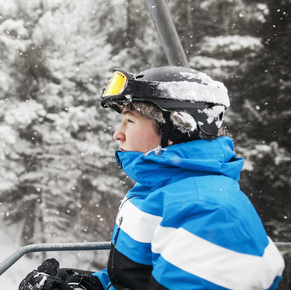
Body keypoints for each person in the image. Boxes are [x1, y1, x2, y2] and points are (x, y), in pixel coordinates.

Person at [19, 66, 285, 290]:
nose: (117, 134)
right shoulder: (159, 190)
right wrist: (93, 284)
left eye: (130, 121)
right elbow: (140, 278)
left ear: (178, 128)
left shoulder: (208, 214)